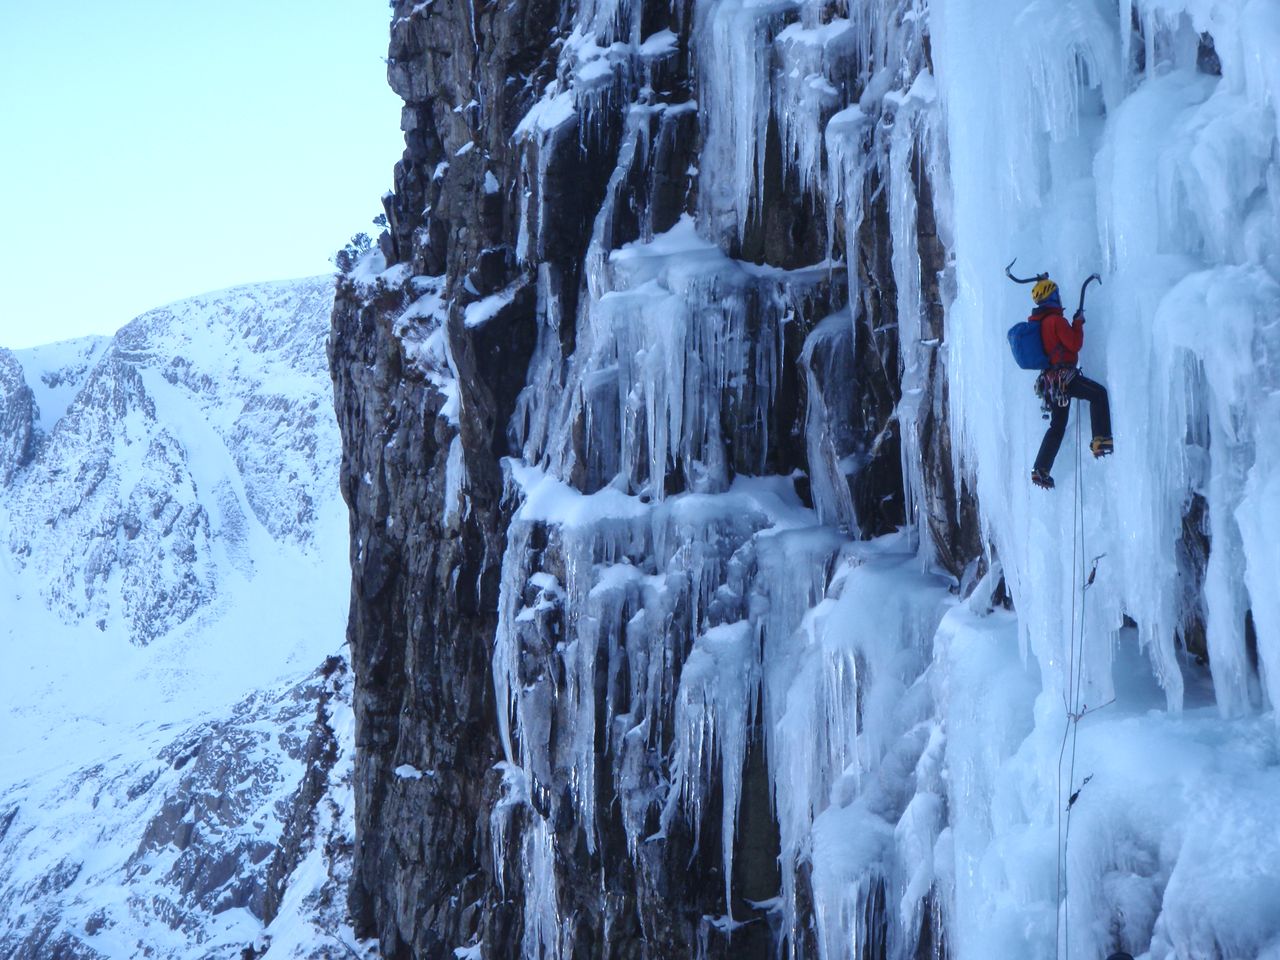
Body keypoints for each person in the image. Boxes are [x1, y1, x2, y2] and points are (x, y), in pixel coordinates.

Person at [1028, 277, 1113, 489]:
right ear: (1052, 297)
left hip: (1051, 384)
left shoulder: (1039, 324)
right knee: (1098, 394)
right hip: (1065, 378)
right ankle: (1101, 440)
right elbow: (1074, 344)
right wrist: (1078, 323)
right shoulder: (1056, 321)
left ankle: (1040, 469)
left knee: (1057, 426)